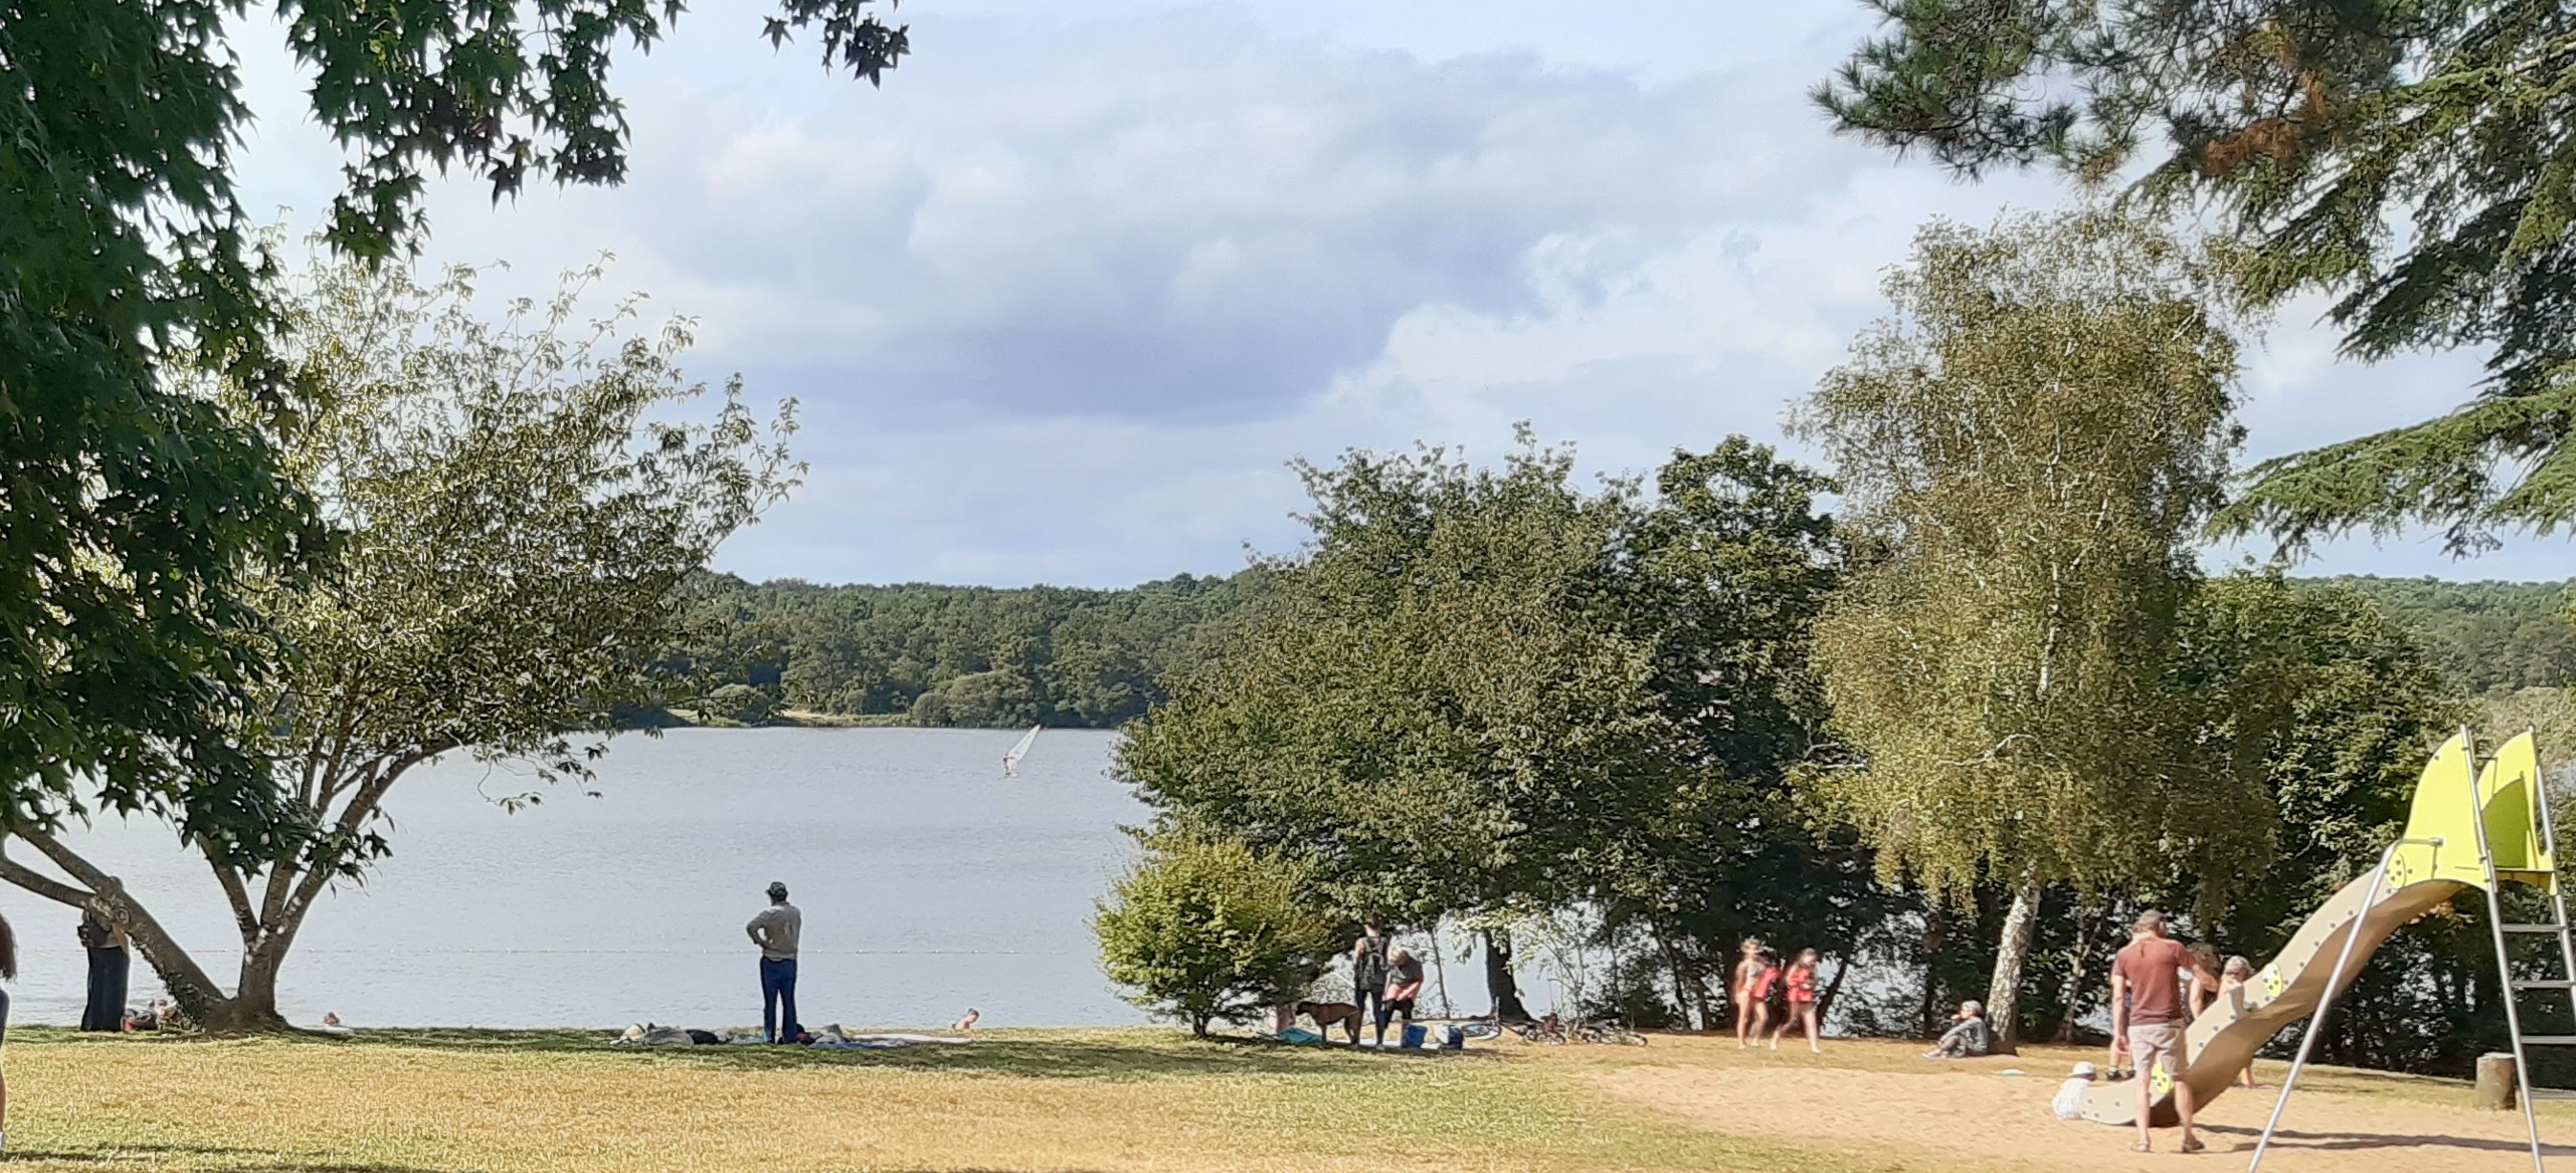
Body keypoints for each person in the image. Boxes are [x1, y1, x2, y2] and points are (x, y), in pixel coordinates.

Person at [2110, 909, 2200, 1154]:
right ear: (2160, 926)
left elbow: (2118, 996)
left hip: (2139, 1025)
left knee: (2142, 1082)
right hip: (2169, 1022)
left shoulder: (2123, 955)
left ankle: (2143, 1139)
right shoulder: (2173, 947)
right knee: (2179, 1079)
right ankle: (2188, 1136)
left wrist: (2118, 1032)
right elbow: (2199, 974)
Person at [745, 881, 803, 1044]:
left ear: (771, 896)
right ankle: (789, 1036)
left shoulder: (769, 913)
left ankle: (769, 1036)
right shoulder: (796, 912)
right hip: (790, 960)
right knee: (789, 1002)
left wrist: (761, 942)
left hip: (771, 959)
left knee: (770, 1003)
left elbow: (751, 927)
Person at [77, 908, 127, 1033]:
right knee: (114, 987)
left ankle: (92, 1022)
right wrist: (125, 949)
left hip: (94, 947)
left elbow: (84, 918)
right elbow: (117, 930)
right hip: (112, 947)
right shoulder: (112, 905)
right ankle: (111, 1024)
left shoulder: (90, 904)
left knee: (96, 985)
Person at [1770, 948, 1822, 1052]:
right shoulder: (1796, 966)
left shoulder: (1813, 969)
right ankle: (1775, 1039)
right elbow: (1788, 980)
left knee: (1811, 1022)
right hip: (1796, 996)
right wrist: (1800, 984)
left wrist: (1811, 984)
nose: (1811, 962)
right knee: (1790, 1020)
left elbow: (1815, 980)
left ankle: (1814, 1046)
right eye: (1809, 959)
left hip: (1807, 996)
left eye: (1813, 960)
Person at [2218, 957, 2259, 1089]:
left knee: (2246, 1051)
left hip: (2244, 1020)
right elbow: (2221, 1003)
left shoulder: (2250, 984)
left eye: (2237, 973)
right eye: (2231, 973)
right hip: (2229, 1021)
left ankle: (2246, 1079)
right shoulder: (2227, 983)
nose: (2233, 976)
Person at [1377, 946, 1425, 1047]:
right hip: (1396, 983)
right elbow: (1387, 977)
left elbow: (1419, 980)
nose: (1397, 966)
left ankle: (1405, 1038)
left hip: (1411, 983)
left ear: (1404, 958)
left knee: (1406, 1007)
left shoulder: (1414, 962)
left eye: (1398, 963)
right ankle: (1380, 1039)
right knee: (1388, 1005)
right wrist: (1385, 994)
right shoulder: (1389, 960)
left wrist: (1406, 993)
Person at [1350, 920, 1390, 1039]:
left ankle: (1356, 1040)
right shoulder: (1385, 941)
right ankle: (1379, 1041)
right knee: (1378, 1009)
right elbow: (1387, 960)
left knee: (1359, 1008)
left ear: (1367, 927)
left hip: (1363, 978)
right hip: (1379, 979)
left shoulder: (1361, 942)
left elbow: (1356, 959)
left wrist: (1356, 969)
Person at [1730, 939, 1769, 1048]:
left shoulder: (1762, 962)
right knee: (1744, 1017)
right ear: (1746, 951)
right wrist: (1737, 994)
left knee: (1763, 1017)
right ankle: (1741, 1042)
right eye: (1752, 949)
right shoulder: (1744, 964)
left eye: (1756, 949)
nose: (1755, 952)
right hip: (1746, 992)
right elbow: (1739, 980)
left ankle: (1755, 1039)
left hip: (1758, 993)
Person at [1922, 1000, 1988, 1058]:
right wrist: (1955, 1021)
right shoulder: (1970, 1021)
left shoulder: (1975, 1021)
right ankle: (1945, 1052)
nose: (1961, 1012)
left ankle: (1938, 1051)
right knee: (1956, 1036)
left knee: (1956, 1037)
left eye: (1963, 1010)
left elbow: (1958, 1029)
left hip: (1978, 1049)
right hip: (1972, 1046)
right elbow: (1958, 1030)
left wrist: (1945, 1037)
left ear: (1971, 1012)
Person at [2186, 942, 2223, 1020]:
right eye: (2208, 955)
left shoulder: (2214, 975)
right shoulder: (2196, 977)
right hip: (2193, 1019)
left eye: (2208, 955)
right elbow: (2195, 999)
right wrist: (2199, 1021)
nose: (2203, 958)